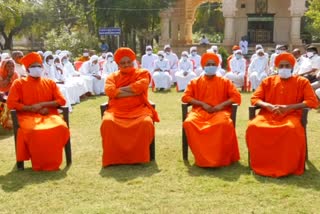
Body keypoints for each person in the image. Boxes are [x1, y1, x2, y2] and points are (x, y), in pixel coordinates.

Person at [246, 52, 318, 178]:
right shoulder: (268, 81)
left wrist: (289, 107)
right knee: (253, 126)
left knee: (290, 129)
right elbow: (255, 98)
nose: (284, 68)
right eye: (281, 66)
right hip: (268, 114)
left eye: (287, 66)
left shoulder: (302, 82)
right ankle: (262, 163)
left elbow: (312, 101)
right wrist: (267, 105)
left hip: (292, 115)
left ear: (292, 67)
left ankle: (287, 166)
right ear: (277, 67)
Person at [6, 52, 70, 171]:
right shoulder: (19, 83)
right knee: (35, 131)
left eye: (39, 66)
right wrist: (30, 108)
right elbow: (11, 103)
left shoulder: (50, 83)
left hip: (49, 115)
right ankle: (40, 163)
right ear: (27, 69)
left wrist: (43, 105)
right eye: (33, 66)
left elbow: (61, 100)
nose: (37, 68)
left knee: (60, 126)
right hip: (28, 116)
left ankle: (53, 161)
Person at [100, 47, 160, 167]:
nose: (126, 65)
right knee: (107, 122)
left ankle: (140, 157)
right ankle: (114, 158)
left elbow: (141, 87)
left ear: (133, 61)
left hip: (139, 109)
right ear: (118, 64)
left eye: (129, 62)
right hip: (116, 111)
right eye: (123, 63)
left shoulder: (142, 73)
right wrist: (132, 90)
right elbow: (109, 91)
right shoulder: (112, 77)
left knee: (146, 123)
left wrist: (119, 91)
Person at [181, 52, 241, 167]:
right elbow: (185, 97)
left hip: (220, 112)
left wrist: (221, 105)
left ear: (217, 66)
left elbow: (236, 96)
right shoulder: (195, 82)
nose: (211, 66)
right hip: (200, 112)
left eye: (213, 64)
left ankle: (220, 158)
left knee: (223, 124)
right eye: (208, 64)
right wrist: (202, 104)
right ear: (203, 66)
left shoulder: (225, 81)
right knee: (189, 123)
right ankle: (202, 158)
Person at [0, 59, 19, 129]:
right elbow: (2, 85)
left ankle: (11, 124)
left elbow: (18, 86)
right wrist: (9, 77)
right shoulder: (0, 73)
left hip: (12, 94)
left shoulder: (16, 74)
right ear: (4, 67)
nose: (11, 68)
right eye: (8, 66)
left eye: (12, 66)